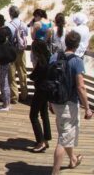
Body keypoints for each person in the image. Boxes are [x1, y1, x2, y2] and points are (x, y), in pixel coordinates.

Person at [51, 31, 94, 174]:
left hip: (56, 102)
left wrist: (49, 102)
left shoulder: (54, 57)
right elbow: (81, 87)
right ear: (77, 45)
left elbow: (50, 80)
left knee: (65, 133)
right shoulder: (77, 61)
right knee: (63, 139)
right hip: (69, 104)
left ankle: (73, 159)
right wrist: (87, 108)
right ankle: (55, 172)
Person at [29, 39, 53, 153]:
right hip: (48, 90)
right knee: (44, 114)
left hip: (40, 90)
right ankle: (46, 139)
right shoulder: (50, 57)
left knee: (33, 115)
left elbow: (33, 76)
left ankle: (40, 141)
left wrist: (32, 73)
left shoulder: (41, 62)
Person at [0, 14, 16, 111]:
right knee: (6, 81)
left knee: (3, 82)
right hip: (8, 57)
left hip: (1, 59)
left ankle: (6, 104)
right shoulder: (8, 30)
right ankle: (7, 102)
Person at [7, 5, 30, 103]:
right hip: (21, 51)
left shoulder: (9, 25)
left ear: (10, 14)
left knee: (11, 75)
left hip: (12, 51)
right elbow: (26, 34)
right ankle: (24, 94)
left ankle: (14, 97)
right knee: (22, 72)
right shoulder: (23, 24)